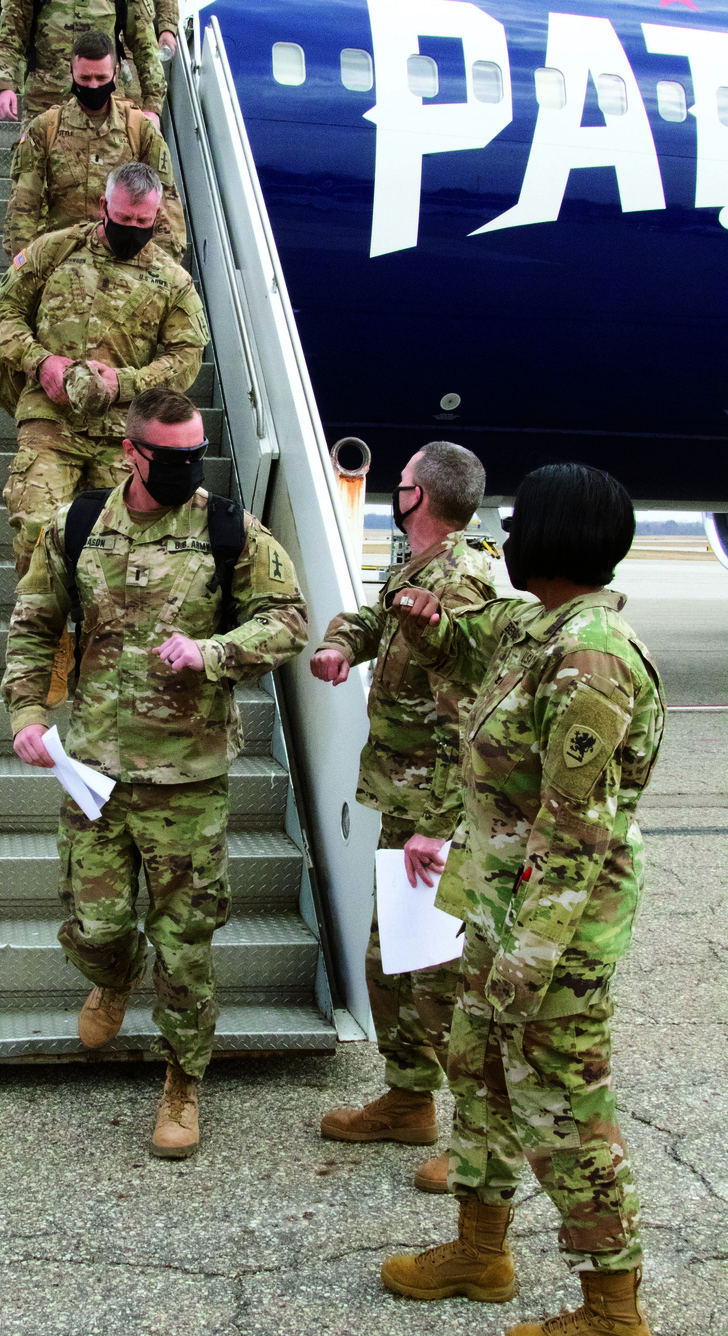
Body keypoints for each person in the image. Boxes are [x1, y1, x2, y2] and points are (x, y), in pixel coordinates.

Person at [381, 463, 665, 1336]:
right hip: (500, 912)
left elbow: (576, 835)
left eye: (518, 522)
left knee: (568, 1116)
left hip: (550, 941)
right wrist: (427, 627)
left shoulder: (588, 661)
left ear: (553, 538)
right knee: (483, 1083)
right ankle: (480, 1252)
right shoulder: (543, 625)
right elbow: (472, 644)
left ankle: (612, 1308)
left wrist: (524, 970)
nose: (503, 538)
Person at [1, 387, 309, 1158]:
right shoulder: (77, 525)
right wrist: (27, 714)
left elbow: (289, 620)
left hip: (188, 780)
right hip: (95, 774)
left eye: (194, 454)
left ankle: (182, 1082)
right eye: (170, 457)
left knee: (187, 945)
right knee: (95, 927)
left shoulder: (230, 527)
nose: (186, 469)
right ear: (131, 454)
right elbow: (34, 623)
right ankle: (112, 975)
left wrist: (215, 652)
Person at [310, 441, 495, 1193]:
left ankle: (474, 1137)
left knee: (441, 975)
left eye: (402, 481)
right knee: (394, 966)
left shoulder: (460, 584)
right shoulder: (419, 569)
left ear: (421, 497)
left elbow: (476, 714)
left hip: (436, 817)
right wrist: (339, 646)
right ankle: (410, 1100)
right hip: (408, 803)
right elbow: (378, 622)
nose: (396, 490)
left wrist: (443, 824)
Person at [0, 159, 208, 580]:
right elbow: (5, 313)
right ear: (102, 204)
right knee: (37, 529)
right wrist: (42, 362)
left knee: (121, 548)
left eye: (144, 220)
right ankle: (46, 638)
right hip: (51, 418)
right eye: (124, 217)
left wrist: (126, 383)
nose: (133, 228)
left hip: (123, 433)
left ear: (156, 216)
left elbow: (186, 356)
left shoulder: (172, 279)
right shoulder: (54, 249)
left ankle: (97, 640)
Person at [2, 30, 185, 262]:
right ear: (71, 74)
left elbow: (165, 203)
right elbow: (24, 205)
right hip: (63, 262)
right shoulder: (45, 128)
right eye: (85, 79)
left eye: (101, 78)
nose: (93, 85)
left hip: (123, 266)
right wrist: (26, 267)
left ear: (115, 75)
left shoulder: (140, 129)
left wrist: (162, 271)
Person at [0, 0, 166, 127]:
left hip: (103, 104)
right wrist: (4, 85)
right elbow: (8, 39)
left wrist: (152, 106)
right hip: (45, 103)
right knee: (34, 172)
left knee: (105, 175)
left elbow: (145, 47)